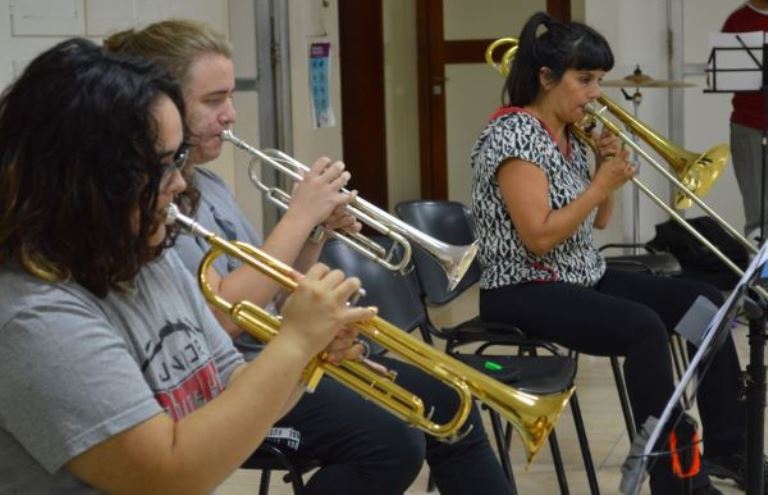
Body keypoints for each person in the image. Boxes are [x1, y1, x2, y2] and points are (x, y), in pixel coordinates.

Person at [105, 19, 512, 495]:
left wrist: (315, 232)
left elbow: (268, 296)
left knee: (448, 401)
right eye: (213, 101)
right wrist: (298, 217)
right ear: (164, 105)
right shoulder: (156, 205)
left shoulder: (210, 187)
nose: (231, 115)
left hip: (274, 356)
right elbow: (223, 317)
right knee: (389, 441)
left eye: (231, 97)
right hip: (234, 377)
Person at [0, 38, 373, 494]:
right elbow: (170, 474)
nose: (179, 183)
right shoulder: (32, 316)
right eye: (160, 165)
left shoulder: (145, 257)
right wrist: (293, 343)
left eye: (178, 158)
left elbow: (232, 386)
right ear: (86, 177)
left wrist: (307, 356)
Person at [471, 11, 761, 495]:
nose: (595, 94)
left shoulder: (566, 133)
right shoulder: (512, 135)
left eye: (599, 80)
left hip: (581, 273)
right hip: (523, 287)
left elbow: (598, 222)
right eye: (584, 80)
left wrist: (605, 175)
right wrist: (598, 185)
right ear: (545, 78)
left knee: (706, 304)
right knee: (643, 329)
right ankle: (673, 480)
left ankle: (729, 447)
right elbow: (538, 238)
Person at [722, 0, 768, 242]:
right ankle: (762, 274)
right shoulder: (737, 21)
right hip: (748, 125)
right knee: (757, 212)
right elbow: (724, 74)